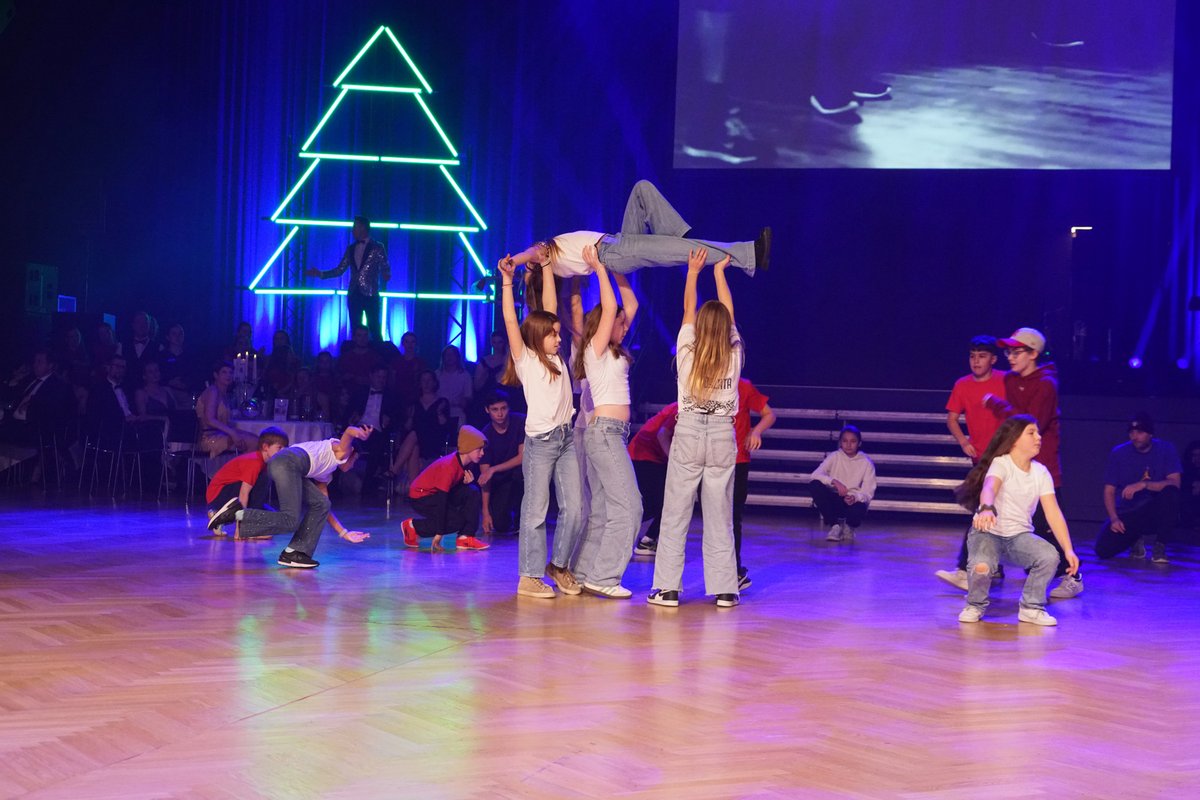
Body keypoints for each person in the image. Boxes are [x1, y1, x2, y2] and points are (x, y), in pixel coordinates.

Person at [648, 248, 743, 609]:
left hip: (688, 432)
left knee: (675, 513)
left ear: (701, 327)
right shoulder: (734, 353)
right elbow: (728, 313)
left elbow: (689, 308)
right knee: (720, 515)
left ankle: (667, 589)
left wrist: (693, 272)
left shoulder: (687, 350)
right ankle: (726, 590)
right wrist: (720, 273)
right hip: (721, 434)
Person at [498, 253, 583, 599]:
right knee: (535, 512)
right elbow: (510, 319)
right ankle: (529, 576)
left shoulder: (555, 356)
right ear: (537, 337)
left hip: (565, 439)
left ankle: (558, 566)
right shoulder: (527, 359)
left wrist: (547, 267)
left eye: (558, 333)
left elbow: (550, 307)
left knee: (575, 508)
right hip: (542, 443)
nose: (559, 338)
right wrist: (507, 281)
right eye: (552, 335)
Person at [500, 181, 770, 290]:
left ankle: (680, 237)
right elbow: (530, 255)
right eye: (531, 262)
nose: (533, 250)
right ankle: (751, 255)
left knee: (642, 189)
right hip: (616, 253)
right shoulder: (545, 257)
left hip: (618, 241)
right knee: (689, 252)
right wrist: (514, 263)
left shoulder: (555, 259)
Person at [983, 327, 1083, 600]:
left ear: (1033, 353)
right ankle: (981, 566)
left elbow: (1030, 423)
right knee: (1002, 515)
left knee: (1047, 523)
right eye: (1008, 352)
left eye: (1017, 352)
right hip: (1017, 462)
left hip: (1042, 464)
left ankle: (1072, 576)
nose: (1010, 357)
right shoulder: (1011, 380)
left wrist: (997, 405)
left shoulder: (1046, 384)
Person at [954, 415, 1081, 626]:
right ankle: (974, 605)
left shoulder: (1041, 472)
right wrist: (986, 508)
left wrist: (1068, 550)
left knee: (1049, 556)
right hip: (988, 533)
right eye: (1031, 433)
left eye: (1038, 432)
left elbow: (1053, 513)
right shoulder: (1001, 463)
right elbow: (989, 487)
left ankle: (1031, 607)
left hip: (1019, 538)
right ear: (1014, 439)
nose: (1038, 437)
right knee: (982, 566)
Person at [570, 247, 642, 599]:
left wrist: (617, 268)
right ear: (603, 324)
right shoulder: (593, 350)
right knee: (630, 507)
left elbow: (631, 305)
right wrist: (599, 267)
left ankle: (582, 573)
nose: (625, 327)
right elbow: (612, 307)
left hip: (612, 435)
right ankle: (605, 576)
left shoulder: (612, 351)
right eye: (619, 324)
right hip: (605, 434)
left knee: (601, 509)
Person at [935, 336, 1009, 590]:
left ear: (993, 359)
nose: (976, 361)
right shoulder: (963, 385)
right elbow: (952, 418)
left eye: (982, 356)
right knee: (986, 509)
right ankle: (989, 566)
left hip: (1005, 457)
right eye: (972, 356)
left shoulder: (1004, 381)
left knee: (988, 510)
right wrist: (963, 441)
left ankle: (965, 567)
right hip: (980, 459)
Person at [269, 426, 374, 568]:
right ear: (351, 452)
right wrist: (360, 434)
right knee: (290, 518)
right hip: (288, 463)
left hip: (288, 465)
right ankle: (243, 519)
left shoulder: (325, 470)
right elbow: (349, 431)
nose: (352, 465)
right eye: (354, 460)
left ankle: (293, 553)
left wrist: (344, 533)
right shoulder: (341, 450)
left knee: (321, 504)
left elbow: (324, 507)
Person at [1094, 414, 1181, 564]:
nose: (1135, 437)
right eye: (1132, 433)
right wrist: (1114, 518)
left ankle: (1160, 545)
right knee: (1103, 550)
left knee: (1171, 493)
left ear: (1150, 434)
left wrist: (1144, 484)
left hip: (1155, 510)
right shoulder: (1119, 453)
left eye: (1140, 432)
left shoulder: (1165, 449)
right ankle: (1135, 539)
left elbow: (1175, 483)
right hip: (1129, 511)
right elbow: (1109, 490)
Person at [400, 425, 490, 551]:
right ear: (469, 447)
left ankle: (465, 537)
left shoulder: (466, 462)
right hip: (421, 497)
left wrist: (465, 484)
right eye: (479, 449)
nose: (482, 453)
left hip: (436, 494)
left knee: (472, 491)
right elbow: (441, 501)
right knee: (456, 522)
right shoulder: (449, 466)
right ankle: (413, 526)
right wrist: (439, 533)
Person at [306, 215, 390, 339]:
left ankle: (378, 349)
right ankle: (356, 350)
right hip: (354, 292)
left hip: (370, 293)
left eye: (355, 227)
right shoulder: (351, 248)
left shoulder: (377, 247)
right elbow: (340, 269)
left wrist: (386, 273)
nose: (352, 230)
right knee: (355, 328)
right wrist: (321, 274)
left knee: (374, 327)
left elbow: (384, 264)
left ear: (363, 228)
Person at [204, 427, 289, 538]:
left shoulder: (263, 463)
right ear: (265, 447)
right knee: (265, 478)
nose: (283, 452)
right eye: (279, 448)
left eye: (285, 448)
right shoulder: (255, 462)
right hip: (219, 496)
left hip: (225, 496)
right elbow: (244, 494)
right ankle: (249, 527)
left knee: (275, 518)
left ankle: (219, 518)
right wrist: (240, 529)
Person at [731, 378, 776, 589]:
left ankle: (734, 570)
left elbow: (769, 414)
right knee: (715, 518)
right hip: (711, 460)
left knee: (733, 517)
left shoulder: (743, 386)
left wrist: (755, 431)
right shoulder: (705, 381)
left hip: (738, 460)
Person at [808, 425, 877, 542]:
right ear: (840, 442)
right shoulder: (834, 456)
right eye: (845, 441)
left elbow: (868, 493)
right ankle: (835, 526)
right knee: (815, 485)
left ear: (859, 443)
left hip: (852, 501)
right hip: (834, 499)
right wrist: (833, 481)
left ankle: (848, 527)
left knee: (860, 507)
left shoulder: (866, 463)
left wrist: (855, 497)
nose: (848, 445)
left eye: (853, 441)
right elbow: (815, 475)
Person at [629, 402, 679, 556]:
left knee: (666, 503)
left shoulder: (681, 407)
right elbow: (662, 434)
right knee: (659, 504)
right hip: (644, 455)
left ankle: (647, 539)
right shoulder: (681, 409)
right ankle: (622, 530)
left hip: (651, 456)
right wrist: (674, 463)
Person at [478, 390, 525, 535]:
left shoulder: (520, 422)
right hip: (500, 482)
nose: (500, 414)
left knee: (522, 473)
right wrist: (485, 513)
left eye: (503, 408)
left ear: (508, 408)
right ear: (487, 410)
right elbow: (484, 478)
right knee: (500, 524)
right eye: (495, 409)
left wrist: (494, 469)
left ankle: (521, 520)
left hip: (519, 475)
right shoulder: (485, 435)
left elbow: (522, 457)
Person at [196, 361, 258, 458]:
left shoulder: (224, 394)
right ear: (216, 375)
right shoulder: (213, 391)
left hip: (220, 435)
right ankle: (241, 467)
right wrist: (232, 433)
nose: (228, 375)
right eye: (224, 372)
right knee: (254, 442)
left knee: (257, 439)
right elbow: (209, 419)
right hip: (209, 438)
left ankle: (241, 467)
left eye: (230, 372)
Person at [435, 344, 473, 428]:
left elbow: (468, 397)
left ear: (457, 357)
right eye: (447, 355)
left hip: (457, 413)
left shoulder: (465, 375)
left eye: (452, 354)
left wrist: (461, 402)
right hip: (438, 412)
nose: (450, 357)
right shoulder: (437, 375)